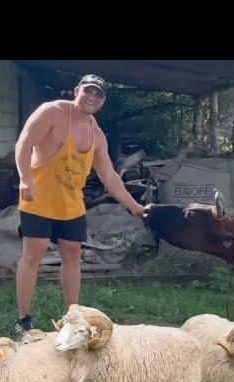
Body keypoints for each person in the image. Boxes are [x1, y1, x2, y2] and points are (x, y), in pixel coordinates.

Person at [14, 74, 144, 333]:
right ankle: (24, 319)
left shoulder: (97, 136)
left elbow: (109, 176)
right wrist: (25, 180)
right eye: (88, 91)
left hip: (71, 204)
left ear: (103, 101)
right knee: (34, 253)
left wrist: (134, 205)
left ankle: (72, 318)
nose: (92, 97)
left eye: (98, 94)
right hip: (38, 198)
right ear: (77, 90)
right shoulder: (52, 112)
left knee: (72, 254)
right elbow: (24, 143)